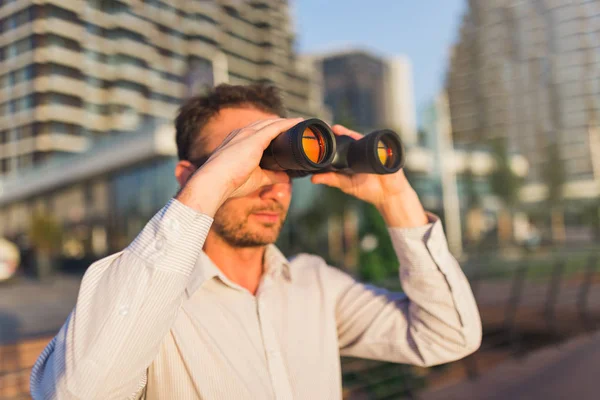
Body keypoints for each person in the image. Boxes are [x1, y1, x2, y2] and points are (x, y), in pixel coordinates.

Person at [30, 84, 481, 399]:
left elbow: (449, 337)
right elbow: (75, 392)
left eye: (283, 167)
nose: (273, 187)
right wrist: (210, 189)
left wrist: (395, 198)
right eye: (249, 165)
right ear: (192, 176)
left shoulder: (316, 286)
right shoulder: (141, 299)